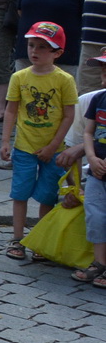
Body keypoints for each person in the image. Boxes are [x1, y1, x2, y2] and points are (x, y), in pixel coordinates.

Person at [2, 22, 78, 259]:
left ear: (57, 53)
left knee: (47, 195)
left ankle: (40, 238)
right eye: (31, 45)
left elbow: (68, 116)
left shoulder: (64, 80)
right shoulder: (19, 77)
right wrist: (6, 140)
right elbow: (11, 110)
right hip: (24, 146)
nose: (34, 51)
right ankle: (17, 238)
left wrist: (53, 146)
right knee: (20, 193)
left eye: (43, 47)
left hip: (54, 150)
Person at [65, 69, 106, 285]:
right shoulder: (98, 99)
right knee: (96, 217)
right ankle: (99, 263)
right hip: (97, 173)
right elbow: (89, 132)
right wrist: (91, 155)